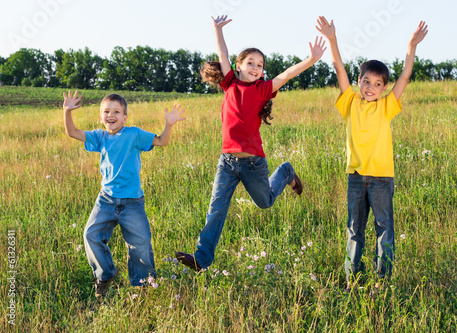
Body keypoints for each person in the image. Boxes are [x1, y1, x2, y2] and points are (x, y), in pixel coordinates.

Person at [175, 16, 326, 271]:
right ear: (238, 66)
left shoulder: (264, 89)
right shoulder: (230, 83)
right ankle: (201, 260)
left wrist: (310, 60)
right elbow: (222, 52)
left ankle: (286, 171)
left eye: (260, 65)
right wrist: (217, 29)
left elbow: (287, 74)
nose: (256, 67)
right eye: (250, 63)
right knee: (216, 210)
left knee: (265, 202)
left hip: (254, 164)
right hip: (227, 162)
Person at [316, 16, 428, 291]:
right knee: (355, 229)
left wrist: (411, 45)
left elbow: (404, 76)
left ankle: (383, 281)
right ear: (359, 82)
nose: (370, 88)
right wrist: (332, 39)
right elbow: (339, 69)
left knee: (384, 230)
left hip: (380, 179)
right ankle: (352, 279)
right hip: (356, 177)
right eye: (366, 82)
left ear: (384, 88)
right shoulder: (351, 102)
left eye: (378, 84)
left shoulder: (387, 105)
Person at [63, 91, 186, 297]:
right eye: (107, 111)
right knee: (90, 235)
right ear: (101, 117)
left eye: (117, 112)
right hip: (106, 200)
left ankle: (142, 286)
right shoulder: (99, 136)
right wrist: (67, 111)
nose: (111, 115)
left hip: (132, 203)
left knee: (141, 243)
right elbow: (72, 132)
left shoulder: (134, 134)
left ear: (125, 117)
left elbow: (162, 141)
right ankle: (105, 274)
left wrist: (169, 124)